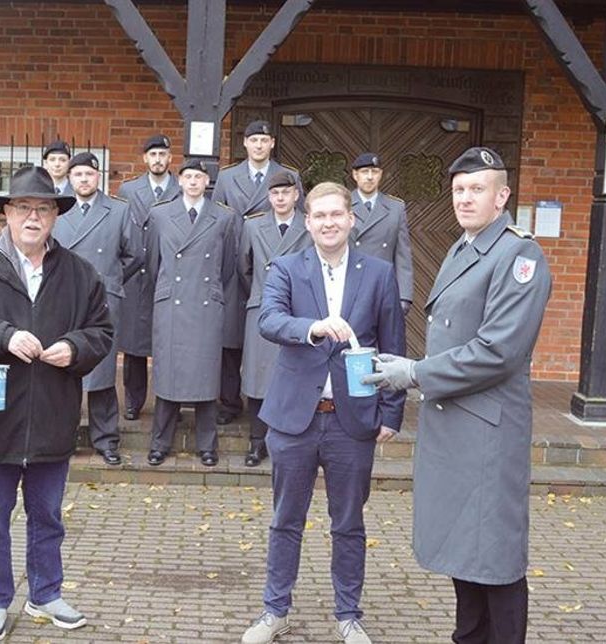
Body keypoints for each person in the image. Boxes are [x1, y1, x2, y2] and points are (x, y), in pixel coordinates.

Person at [362, 147, 552, 644]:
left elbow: (498, 351)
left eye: (477, 189)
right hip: (455, 426)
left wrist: (415, 373)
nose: (465, 199)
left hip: (487, 433)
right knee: (464, 554)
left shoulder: (519, 255)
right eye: (459, 190)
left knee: (495, 558)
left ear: (501, 196)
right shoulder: (462, 247)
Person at [0, 166, 113, 640]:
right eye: (24, 208)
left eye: (44, 209)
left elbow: (101, 332)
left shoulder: (79, 273)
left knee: (48, 518)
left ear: (55, 216)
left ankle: (45, 593)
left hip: (53, 417)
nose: (34, 217)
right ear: (7, 213)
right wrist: (3, 336)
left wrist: (75, 346)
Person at [241, 181, 405, 644]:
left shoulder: (379, 274)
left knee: (348, 524)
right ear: (307, 221)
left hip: (352, 421)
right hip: (295, 417)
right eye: (320, 215)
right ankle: (274, 611)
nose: (329, 223)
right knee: (285, 520)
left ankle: (348, 616)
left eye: (337, 214)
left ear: (351, 219)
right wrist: (312, 327)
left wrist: (391, 413)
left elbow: (393, 345)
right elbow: (269, 320)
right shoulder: (287, 268)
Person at [145, 158, 237, 467]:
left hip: (205, 303)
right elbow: (153, 263)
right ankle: (160, 443)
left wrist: (209, 291)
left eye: (199, 176)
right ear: (180, 181)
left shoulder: (223, 217)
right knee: (168, 374)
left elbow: (228, 266)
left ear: (207, 182)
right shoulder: (159, 214)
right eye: (188, 176)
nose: (194, 181)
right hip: (172, 302)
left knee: (205, 376)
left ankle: (207, 446)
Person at [212, 120, 305, 425]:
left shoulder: (289, 177)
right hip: (234, 263)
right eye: (254, 140)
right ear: (245, 143)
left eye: (264, 140)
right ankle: (229, 402)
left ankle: (269, 403)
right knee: (231, 337)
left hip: (267, 271)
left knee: (267, 343)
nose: (259, 145)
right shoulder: (227, 176)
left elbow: (300, 224)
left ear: (272, 143)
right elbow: (217, 219)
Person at [53, 151, 141, 465]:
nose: (84, 180)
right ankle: (62, 438)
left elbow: (134, 255)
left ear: (98, 176)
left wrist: (111, 280)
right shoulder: (56, 209)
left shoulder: (118, 210)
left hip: (104, 299)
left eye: (89, 174)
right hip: (64, 299)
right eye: (77, 175)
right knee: (65, 367)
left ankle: (106, 440)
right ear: (69, 178)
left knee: (102, 371)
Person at [237, 170, 311, 466]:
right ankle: (257, 442)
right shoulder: (253, 225)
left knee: (292, 377)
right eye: (275, 193)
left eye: (286, 193)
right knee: (258, 378)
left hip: (298, 311)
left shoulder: (308, 226)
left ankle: (288, 442)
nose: (280, 198)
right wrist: (261, 295)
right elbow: (244, 268)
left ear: (296, 195)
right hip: (262, 308)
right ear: (269, 197)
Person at [117, 133, 180, 420]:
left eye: (162, 154)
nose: (157, 159)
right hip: (137, 273)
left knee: (171, 342)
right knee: (135, 344)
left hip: (170, 271)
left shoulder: (182, 188)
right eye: (153, 154)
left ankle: (172, 401)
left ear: (170, 158)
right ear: (145, 158)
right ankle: (133, 400)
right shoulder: (129, 190)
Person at [349, 152, 414, 314]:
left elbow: (402, 255)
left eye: (375, 172)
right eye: (365, 172)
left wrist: (404, 296)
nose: (370, 177)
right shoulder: (343, 203)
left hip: (382, 287)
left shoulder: (396, 208)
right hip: (349, 285)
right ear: (355, 175)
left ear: (381, 174)